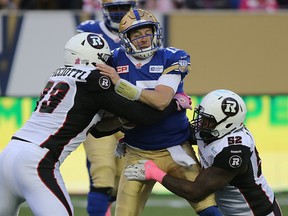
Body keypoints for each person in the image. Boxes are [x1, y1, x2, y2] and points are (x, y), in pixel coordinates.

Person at [0, 32, 191, 216]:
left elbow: (97, 129)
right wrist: (174, 103)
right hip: (37, 161)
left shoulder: (57, 76)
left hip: (8, 154)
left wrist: (118, 120)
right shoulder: (95, 79)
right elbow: (144, 117)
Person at [97, 8, 221, 216]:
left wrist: (120, 84)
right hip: (137, 152)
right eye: (136, 35)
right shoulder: (115, 59)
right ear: (126, 39)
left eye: (147, 33)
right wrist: (120, 118)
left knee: (208, 209)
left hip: (175, 149)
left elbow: (161, 100)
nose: (143, 39)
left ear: (155, 33)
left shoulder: (172, 56)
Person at [124, 89, 283, 216]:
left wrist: (153, 172)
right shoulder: (213, 131)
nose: (200, 123)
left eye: (207, 120)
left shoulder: (235, 151)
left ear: (226, 124)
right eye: (201, 116)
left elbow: (195, 192)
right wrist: (132, 138)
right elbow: (171, 134)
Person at [76, 1, 137, 215]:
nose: (120, 13)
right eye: (114, 9)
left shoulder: (140, 31)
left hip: (126, 113)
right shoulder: (88, 31)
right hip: (97, 112)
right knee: (103, 173)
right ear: (104, 9)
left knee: (123, 177)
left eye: (124, 8)